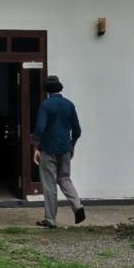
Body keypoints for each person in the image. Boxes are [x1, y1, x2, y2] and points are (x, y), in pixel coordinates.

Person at [32, 75, 85, 228]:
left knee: (49, 184)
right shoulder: (69, 105)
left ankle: (50, 219)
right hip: (65, 148)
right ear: (60, 88)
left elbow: (41, 128)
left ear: (46, 90)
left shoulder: (46, 105)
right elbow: (77, 130)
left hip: (48, 148)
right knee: (65, 179)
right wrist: (72, 145)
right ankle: (78, 206)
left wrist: (36, 147)